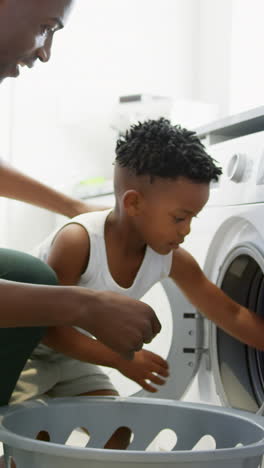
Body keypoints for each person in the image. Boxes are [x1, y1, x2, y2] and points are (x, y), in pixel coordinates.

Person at [0, 0, 161, 411]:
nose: (45, 50)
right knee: (30, 275)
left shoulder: (166, 254)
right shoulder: (74, 246)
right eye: (45, 27)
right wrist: (84, 304)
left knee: (26, 274)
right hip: (47, 353)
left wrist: (73, 206)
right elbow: (55, 329)